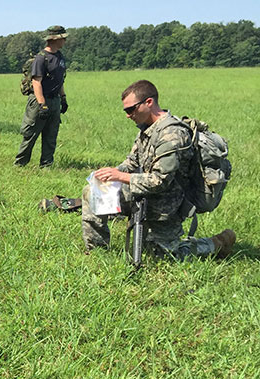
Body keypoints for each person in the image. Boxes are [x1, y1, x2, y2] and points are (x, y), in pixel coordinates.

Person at [81, 80, 235, 259]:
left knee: (166, 255)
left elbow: (159, 181)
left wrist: (120, 176)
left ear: (149, 103)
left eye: (131, 110)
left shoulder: (172, 134)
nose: (128, 115)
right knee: (92, 191)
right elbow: (132, 162)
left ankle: (216, 244)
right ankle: (97, 251)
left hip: (167, 205)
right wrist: (111, 173)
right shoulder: (147, 129)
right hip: (144, 194)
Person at [15, 25, 69, 168]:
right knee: (30, 134)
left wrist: (63, 98)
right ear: (54, 39)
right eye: (63, 38)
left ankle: (46, 165)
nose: (65, 40)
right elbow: (36, 82)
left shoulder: (60, 57)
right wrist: (42, 104)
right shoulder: (41, 58)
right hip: (39, 100)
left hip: (55, 100)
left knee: (51, 135)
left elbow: (60, 79)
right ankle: (20, 164)